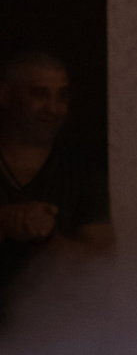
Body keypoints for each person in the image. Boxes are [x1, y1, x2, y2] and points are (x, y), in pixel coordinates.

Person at [0, 51, 112, 313]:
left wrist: (46, 238)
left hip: (56, 328)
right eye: (39, 94)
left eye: (62, 95)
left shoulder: (83, 172)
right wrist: (6, 221)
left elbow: (103, 264)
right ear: (5, 95)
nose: (53, 109)